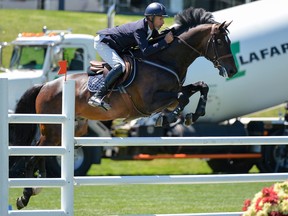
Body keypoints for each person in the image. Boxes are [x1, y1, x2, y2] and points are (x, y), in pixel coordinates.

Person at [88, 2, 174, 111]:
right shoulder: (139, 29)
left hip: (117, 46)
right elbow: (146, 51)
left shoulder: (151, 30)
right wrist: (165, 42)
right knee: (120, 66)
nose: (163, 22)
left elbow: (158, 39)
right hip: (104, 43)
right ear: (151, 18)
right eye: (160, 18)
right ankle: (97, 96)